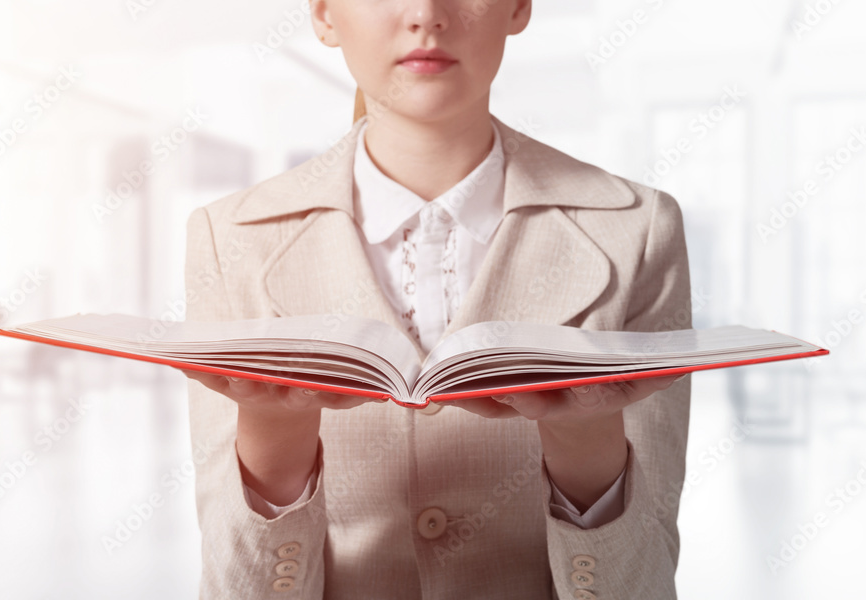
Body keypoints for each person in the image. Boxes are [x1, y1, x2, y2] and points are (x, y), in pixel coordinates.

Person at [181, 0, 692, 597]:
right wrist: (273, 448)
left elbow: (645, 581)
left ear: (518, 7)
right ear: (323, 15)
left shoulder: (635, 230)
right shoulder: (231, 238)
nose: (426, 13)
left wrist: (588, 452)